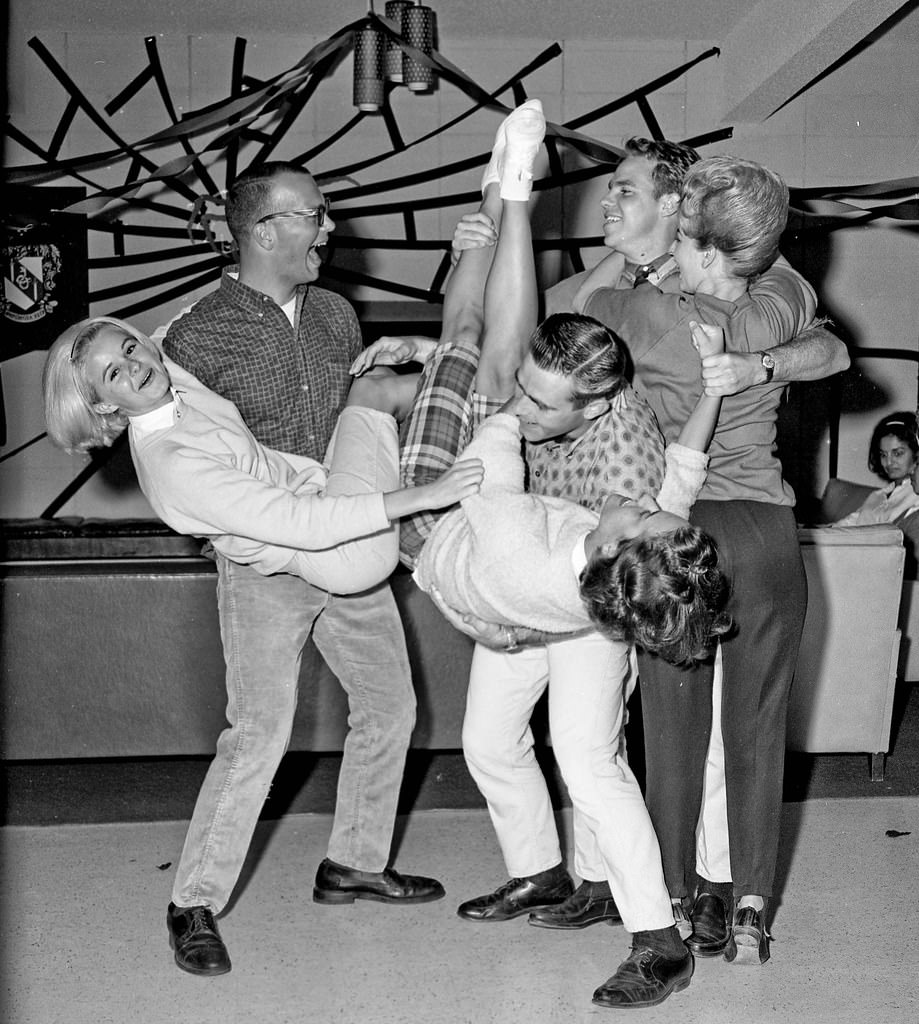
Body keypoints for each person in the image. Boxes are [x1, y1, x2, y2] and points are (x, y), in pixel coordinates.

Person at [361, 99, 696, 1011]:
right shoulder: (554, 395)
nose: (524, 410)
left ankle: (655, 937)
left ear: (595, 406)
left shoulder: (620, 454)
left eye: (542, 407)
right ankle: (545, 874)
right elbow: (503, 379)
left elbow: (573, 577)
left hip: (583, 593)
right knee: (485, 741)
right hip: (522, 573)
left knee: (586, 759)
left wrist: (500, 615)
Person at [146, 160, 447, 978]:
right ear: (264, 229)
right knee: (258, 736)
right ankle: (194, 902)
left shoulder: (337, 314)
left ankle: (354, 861)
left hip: (351, 547)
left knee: (390, 707)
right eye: (314, 215)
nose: (329, 227)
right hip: (269, 566)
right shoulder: (195, 336)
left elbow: (366, 428)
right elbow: (190, 461)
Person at [583, 154, 849, 967]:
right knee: (758, 726)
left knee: (669, 725)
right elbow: (832, 348)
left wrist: (646, 252)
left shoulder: (636, 311)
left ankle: (674, 892)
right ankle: (749, 910)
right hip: (767, 527)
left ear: (692, 242)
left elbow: (578, 304)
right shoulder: (777, 301)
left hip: (681, 528)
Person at [42, 315, 483, 593]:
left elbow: (169, 330)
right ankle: (498, 384)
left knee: (384, 374)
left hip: (325, 491)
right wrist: (426, 495)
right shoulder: (173, 466)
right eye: (114, 373)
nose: (135, 366)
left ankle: (486, 383)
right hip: (348, 552)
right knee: (376, 386)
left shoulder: (160, 383)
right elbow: (303, 525)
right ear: (102, 405)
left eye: (130, 348)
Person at [412, 316, 731, 663]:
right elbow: (685, 469)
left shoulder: (620, 486)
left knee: (579, 703)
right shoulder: (649, 537)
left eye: (541, 404)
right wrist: (714, 382)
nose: (646, 498)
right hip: (523, 569)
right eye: (524, 388)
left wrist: (514, 635)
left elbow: (489, 468)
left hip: (473, 557)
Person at [832, 412, 919, 527]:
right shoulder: (878, 496)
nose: (888, 462)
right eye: (883, 455)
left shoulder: (915, 493)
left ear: (916, 453)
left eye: (897, 453)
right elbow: (846, 524)